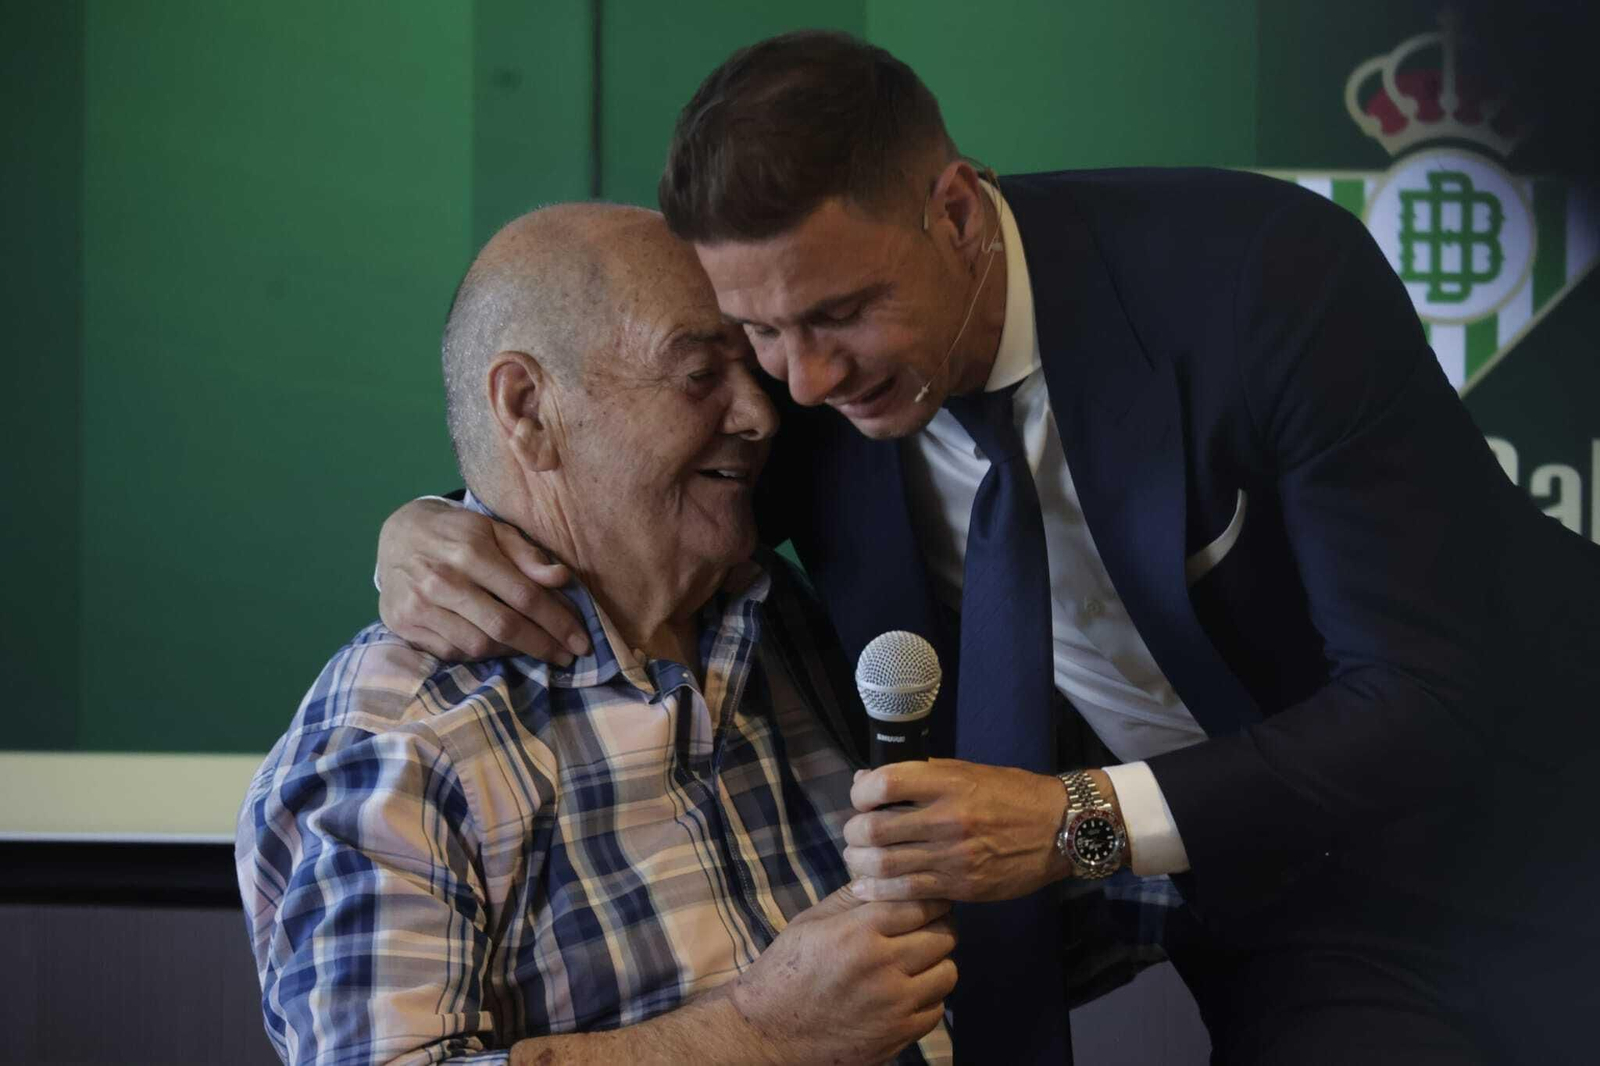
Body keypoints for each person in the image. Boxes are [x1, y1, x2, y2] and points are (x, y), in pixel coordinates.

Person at [375, 31, 1600, 1066]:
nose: (799, 380)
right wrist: (439, 526)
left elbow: (1433, 696)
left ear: (955, 211)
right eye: (756, 332)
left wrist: (1073, 824)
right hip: (1284, 906)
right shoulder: (807, 393)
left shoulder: (1263, 281)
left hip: (1539, 816)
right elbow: (612, 470)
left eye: (841, 314)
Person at [238, 203, 957, 1066]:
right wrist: (756, 1035)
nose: (762, 415)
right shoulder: (394, 745)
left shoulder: (789, 623)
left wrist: (1126, 826)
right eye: (697, 374)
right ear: (527, 407)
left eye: (752, 364)